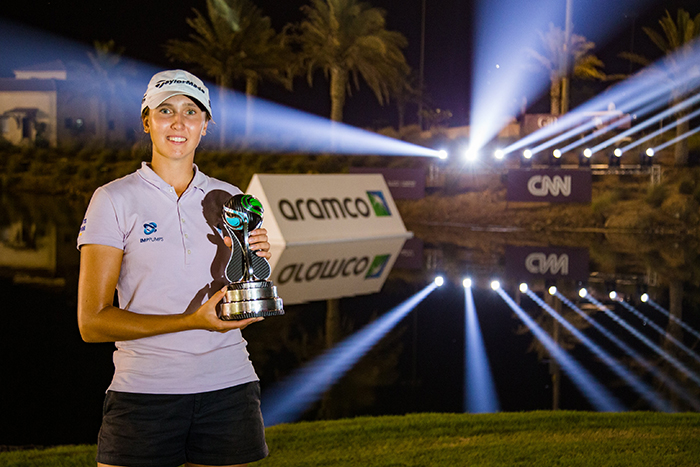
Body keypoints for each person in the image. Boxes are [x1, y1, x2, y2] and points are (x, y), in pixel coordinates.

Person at [77, 69, 270, 467]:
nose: (178, 122)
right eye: (166, 110)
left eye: (191, 111)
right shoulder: (113, 199)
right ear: (147, 121)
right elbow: (91, 323)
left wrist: (255, 268)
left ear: (205, 126)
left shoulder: (229, 196)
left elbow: (237, 301)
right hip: (143, 393)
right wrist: (192, 321)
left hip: (230, 389)